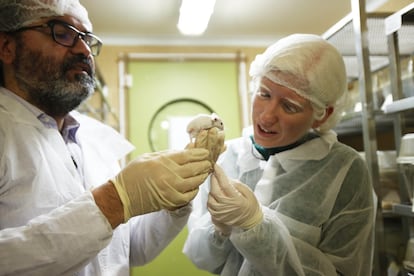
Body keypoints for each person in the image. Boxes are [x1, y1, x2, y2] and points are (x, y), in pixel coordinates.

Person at [0, 0, 213, 275]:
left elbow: (131, 249)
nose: (84, 50)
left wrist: (173, 204)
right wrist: (112, 201)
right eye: (62, 33)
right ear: (7, 47)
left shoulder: (92, 137)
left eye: (87, 39)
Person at [183, 34, 376, 275]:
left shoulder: (344, 170)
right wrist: (219, 229)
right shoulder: (227, 157)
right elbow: (202, 259)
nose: (266, 116)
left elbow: (346, 271)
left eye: (289, 106)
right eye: (264, 94)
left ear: (323, 114)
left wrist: (255, 225)